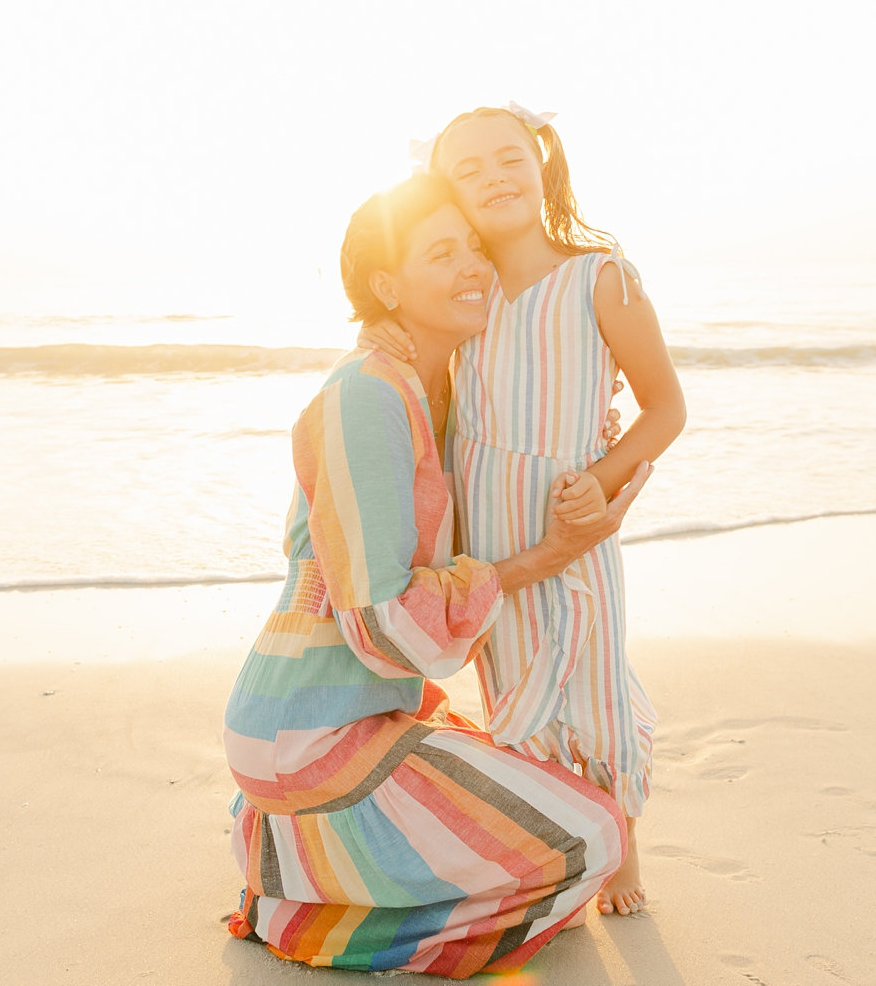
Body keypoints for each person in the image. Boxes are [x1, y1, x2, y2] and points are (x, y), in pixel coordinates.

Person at [223, 172, 651, 978]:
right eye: (441, 252)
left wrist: (590, 444)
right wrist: (542, 562)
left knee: (554, 813)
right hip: (306, 734)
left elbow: (511, 455)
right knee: (596, 836)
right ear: (388, 285)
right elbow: (384, 621)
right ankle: (314, 922)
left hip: (354, 714)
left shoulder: (435, 387)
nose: (473, 268)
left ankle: (304, 884)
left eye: (474, 249)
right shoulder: (366, 397)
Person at [369, 104, 686, 916]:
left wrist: (602, 476)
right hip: (489, 530)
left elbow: (664, 408)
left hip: (569, 522)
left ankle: (621, 846)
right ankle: (560, 842)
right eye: (467, 171)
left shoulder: (599, 276)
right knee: (514, 687)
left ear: (543, 161)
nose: (493, 179)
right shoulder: (464, 294)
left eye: (508, 158)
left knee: (591, 679)